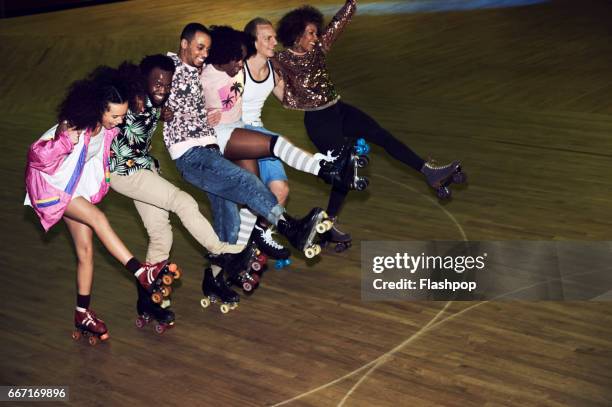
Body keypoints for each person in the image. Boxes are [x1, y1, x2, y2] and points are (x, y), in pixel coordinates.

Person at [274, 0, 465, 250]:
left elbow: (338, 23)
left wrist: (351, 3)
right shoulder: (281, 60)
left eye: (315, 31)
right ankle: (327, 225)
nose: (315, 36)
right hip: (319, 121)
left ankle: (430, 172)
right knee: (345, 171)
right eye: (310, 33)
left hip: (339, 110)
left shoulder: (319, 48)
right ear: (296, 35)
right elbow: (258, 72)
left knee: (381, 135)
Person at [162, 23, 329, 303]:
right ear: (183, 44)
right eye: (199, 47)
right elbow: (151, 85)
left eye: (207, 48)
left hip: (209, 149)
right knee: (246, 181)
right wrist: (158, 107)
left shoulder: (203, 70)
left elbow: (205, 95)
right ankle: (289, 227)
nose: (203, 53)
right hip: (190, 154)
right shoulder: (168, 65)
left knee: (229, 219)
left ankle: (213, 280)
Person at [24, 66, 175, 344]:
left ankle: (82, 313)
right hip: (51, 188)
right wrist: (62, 142)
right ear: (98, 110)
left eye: (122, 115)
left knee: (86, 251)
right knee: (99, 219)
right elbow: (37, 157)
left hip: (73, 188)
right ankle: (141, 272)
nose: (118, 121)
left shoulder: (106, 128)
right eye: (114, 116)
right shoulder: (73, 126)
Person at [107, 56, 246, 328]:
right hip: (124, 171)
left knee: (161, 234)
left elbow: (160, 109)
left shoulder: (158, 103)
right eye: (157, 82)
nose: (162, 88)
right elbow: (111, 94)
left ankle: (147, 297)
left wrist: (163, 113)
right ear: (142, 80)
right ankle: (219, 251)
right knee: (182, 201)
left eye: (167, 84)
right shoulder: (130, 97)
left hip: (144, 169)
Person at [200, 25, 359, 259]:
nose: (275, 41)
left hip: (250, 131)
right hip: (235, 135)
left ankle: (248, 248)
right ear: (253, 43)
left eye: (275, 37)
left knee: (277, 192)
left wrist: (327, 100)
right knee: (271, 155)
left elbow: (293, 100)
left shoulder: (272, 71)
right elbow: (196, 92)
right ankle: (326, 168)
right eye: (269, 38)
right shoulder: (231, 67)